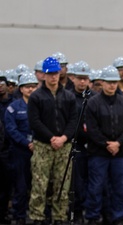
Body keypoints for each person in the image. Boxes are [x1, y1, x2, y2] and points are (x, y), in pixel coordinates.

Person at [27, 56, 78, 225]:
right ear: (43, 75)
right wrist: (51, 138)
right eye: (49, 74)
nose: (53, 77)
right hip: (43, 146)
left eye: (55, 73)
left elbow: (73, 120)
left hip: (64, 146)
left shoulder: (69, 97)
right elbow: (34, 121)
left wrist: (63, 138)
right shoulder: (36, 97)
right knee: (39, 184)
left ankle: (59, 217)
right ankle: (37, 217)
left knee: (62, 184)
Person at [85, 65, 123, 225]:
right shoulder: (93, 103)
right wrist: (106, 144)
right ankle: (93, 216)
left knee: (119, 187)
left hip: (120, 153)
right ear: (102, 83)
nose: (112, 85)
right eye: (108, 82)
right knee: (96, 187)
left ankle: (117, 216)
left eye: (114, 82)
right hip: (99, 153)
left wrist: (118, 143)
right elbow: (91, 129)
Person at [4, 72, 38, 225]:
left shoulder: (41, 105)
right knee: (20, 185)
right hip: (20, 151)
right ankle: (19, 215)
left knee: (39, 184)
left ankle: (39, 214)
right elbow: (11, 129)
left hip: (40, 149)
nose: (31, 89)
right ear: (21, 89)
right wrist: (26, 143)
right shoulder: (13, 107)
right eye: (27, 87)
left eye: (33, 86)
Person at [70, 61, 97, 224]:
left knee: (94, 181)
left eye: (85, 78)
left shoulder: (95, 98)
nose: (82, 82)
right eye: (79, 78)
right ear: (73, 78)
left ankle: (92, 212)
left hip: (94, 145)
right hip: (76, 145)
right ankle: (77, 211)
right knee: (77, 182)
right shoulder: (67, 96)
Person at [0, 74, 14, 224]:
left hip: (8, 149)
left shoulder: (13, 103)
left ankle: (4, 213)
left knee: (6, 185)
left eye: (2, 83)